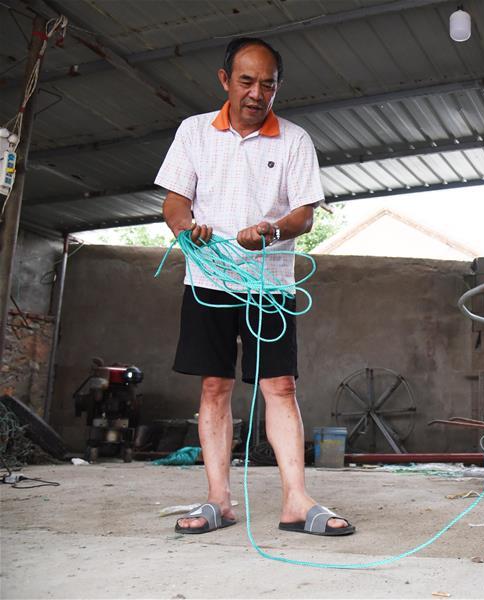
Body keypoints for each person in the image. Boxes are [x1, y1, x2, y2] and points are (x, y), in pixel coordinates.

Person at [155, 37, 353, 536]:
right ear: (225, 80)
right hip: (208, 280)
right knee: (214, 385)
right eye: (246, 81)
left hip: (270, 284)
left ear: (277, 87)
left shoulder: (295, 141)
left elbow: (304, 215)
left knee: (280, 386)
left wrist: (271, 230)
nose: (256, 93)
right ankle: (218, 501)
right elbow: (175, 202)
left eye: (268, 84)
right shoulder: (194, 132)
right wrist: (186, 230)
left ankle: (296, 501)